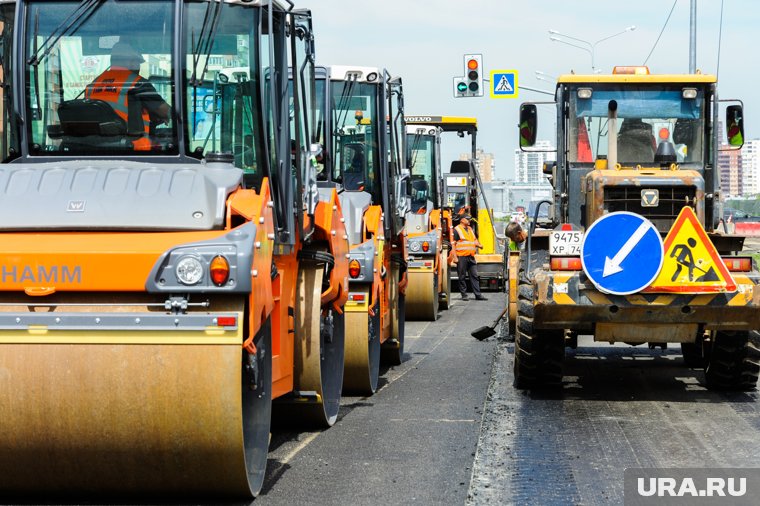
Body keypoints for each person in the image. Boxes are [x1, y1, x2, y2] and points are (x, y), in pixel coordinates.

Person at [85, 41, 171, 150]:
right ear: (130, 61)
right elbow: (164, 111)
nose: (138, 66)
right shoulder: (138, 83)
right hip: (135, 150)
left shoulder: (92, 85)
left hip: (98, 149)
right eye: (137, 62)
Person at [453, 214, 487, 301]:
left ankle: (478, 295)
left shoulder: (470, 229)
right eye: (467, 219)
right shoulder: (457, 230)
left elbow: (474, 240)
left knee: (474, 275)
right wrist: (455, 257)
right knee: (462, 276)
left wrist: (479, 245)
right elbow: (453, 244)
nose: (469, 221)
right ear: (462, 220)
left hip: (471, 256)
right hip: (461, 257)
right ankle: (464, 295)